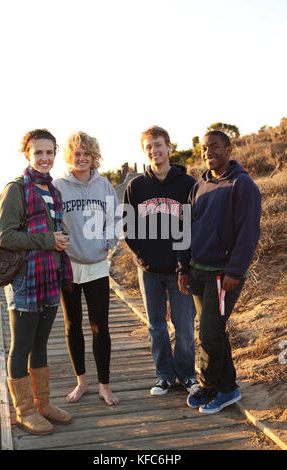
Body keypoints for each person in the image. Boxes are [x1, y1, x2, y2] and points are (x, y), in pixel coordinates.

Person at [0, 129, 73, 435]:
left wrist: (60, 237)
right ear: (27, 154)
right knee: (22, 346)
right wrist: (47, 239)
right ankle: (24, 410)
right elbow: (5, 235)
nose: (44, 158)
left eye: (49, 152)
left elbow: (53, 229)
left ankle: (43, 404)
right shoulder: (16, 189)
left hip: (50, 275)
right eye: (38, 152)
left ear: (55, 155)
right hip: (27, 278)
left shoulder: (52, 190)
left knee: (40, 345)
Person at [178, 130, 261, 414]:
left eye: (214, 146)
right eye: (204, 148)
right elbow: (186, 229)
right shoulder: (199, 185)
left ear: (229, 149)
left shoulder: (243, 184)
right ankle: (220, 386)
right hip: (198, 271)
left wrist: (235, 271)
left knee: (210, 333)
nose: (208, 152)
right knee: (213, 333)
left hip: (223, 275)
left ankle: (220, 387)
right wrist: (183, 267)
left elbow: (248, 234)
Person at [123, 125, 198, 396]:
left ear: (169, 146)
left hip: (181, 270)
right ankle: (164, 375)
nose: (154, 151)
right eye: (148, 147)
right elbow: (128, 227)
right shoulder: (136, 186)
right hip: (149, 271)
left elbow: (194, 226)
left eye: (158, 144)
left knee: (185, 324)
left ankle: (188, 374)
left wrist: (186, 263)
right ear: (145, 152)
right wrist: (143, 257)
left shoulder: (189, 184)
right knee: (156, 326)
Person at [53, 131, 120, 406]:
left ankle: (104, 385)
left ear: (94, 157)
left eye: (86, 154)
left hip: (96, 266)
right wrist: (58, 241)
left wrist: (107, 241)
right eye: (76, 154)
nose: (81, 158)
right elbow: (52, 220)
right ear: (69, 157)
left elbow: (115, 219)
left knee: (100, 327)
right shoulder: (58, 186)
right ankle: (82, 382)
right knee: (72, 326)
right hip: (68, 265)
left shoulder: (104, 185)